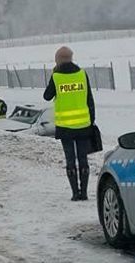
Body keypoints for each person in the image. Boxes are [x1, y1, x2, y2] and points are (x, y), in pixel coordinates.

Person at [43, 47, 96, 201]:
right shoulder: (82, 74)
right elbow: (89, 98)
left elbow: (47, 96)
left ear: (58, 60)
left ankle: (75, 193)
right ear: (71, 58)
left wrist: (53, 75)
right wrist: (91, 120)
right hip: (83, 125)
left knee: (70, 159)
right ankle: (84, 193)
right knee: (83, 159)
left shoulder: (57, 77)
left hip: (65, 127)